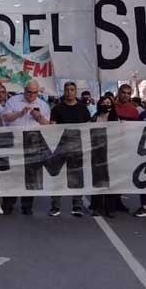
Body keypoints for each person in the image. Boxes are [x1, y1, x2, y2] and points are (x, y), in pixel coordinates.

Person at [0, 80, 51, 215]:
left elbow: (48, 126)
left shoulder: (43, 105)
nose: (31, 95)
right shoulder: (14, 101)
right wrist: (20, 114)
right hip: (15, 143)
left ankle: (27, 206)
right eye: (29, 92)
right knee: (12, 175)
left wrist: (39, 117)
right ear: (24, 90)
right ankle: (8, 204)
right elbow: (5, 117)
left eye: (34, 93)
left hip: (33, 144)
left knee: (31, 176)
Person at [47, 81, 91, 218]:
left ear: (75, 91)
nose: (69, 92)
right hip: (60, 147)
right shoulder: (57, 109)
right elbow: (53, 127)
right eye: (67, 90)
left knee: (76, 177)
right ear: (64, 91)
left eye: (72, 89)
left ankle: (77, 206)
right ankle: (55, 207)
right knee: (57, 176)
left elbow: (88, 127)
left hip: (77, 148)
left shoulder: (83, 108)